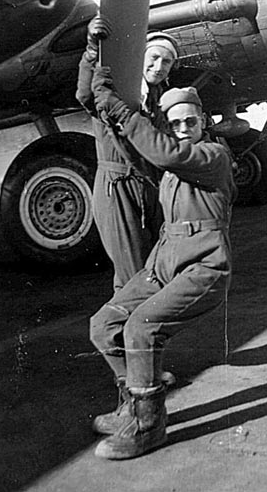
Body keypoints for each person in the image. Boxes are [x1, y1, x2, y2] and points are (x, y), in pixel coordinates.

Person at [88, 77, 237, 460]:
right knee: (104, 325)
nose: (184, 129)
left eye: (190, 121)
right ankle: (131, 406)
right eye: (175, 125)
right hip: (165, 264)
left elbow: (166, 153)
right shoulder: (170, 163)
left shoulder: (212, 156)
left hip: (204, 267)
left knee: (142, 327)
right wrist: (102, 92)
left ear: (204, 120)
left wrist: (123, 110)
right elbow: (132, 149)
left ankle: (149, 424)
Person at [76, 16, 179, 293]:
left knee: (157, 270)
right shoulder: (114, 88)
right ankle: (122, 333)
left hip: (151, 188)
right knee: (133, 276)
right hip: (117, 187)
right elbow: (86, 95)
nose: (158, 67)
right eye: (154, 57)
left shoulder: (162, 102)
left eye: (166, 62)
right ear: (140, 57)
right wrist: (92, 52)